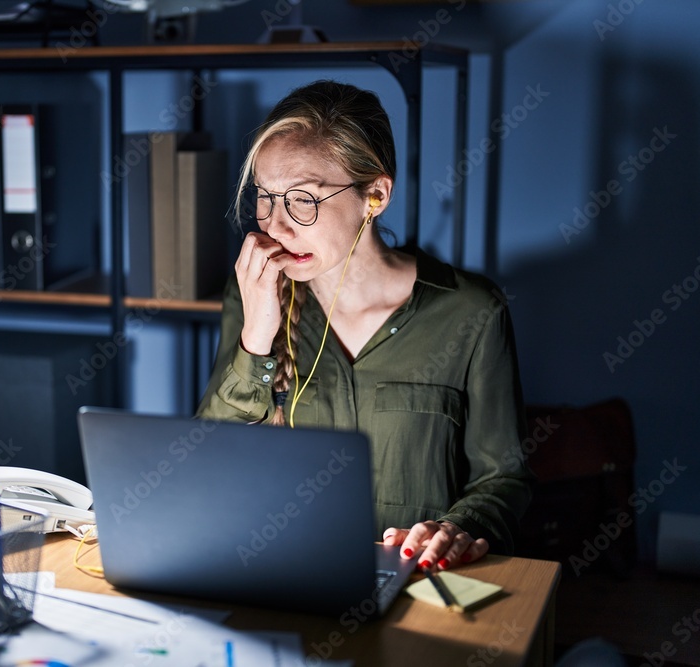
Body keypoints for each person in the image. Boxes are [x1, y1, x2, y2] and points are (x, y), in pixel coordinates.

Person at [196, 80, 534, 571]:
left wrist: (461, 528)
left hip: (423, 585)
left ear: (375, 194)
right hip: (288, 577)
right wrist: (257, 338)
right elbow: (207, 466)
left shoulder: (471, 312)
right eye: (266, 197)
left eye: (304, 200)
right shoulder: (254, 295)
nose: (275, 225)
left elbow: (505, 479)